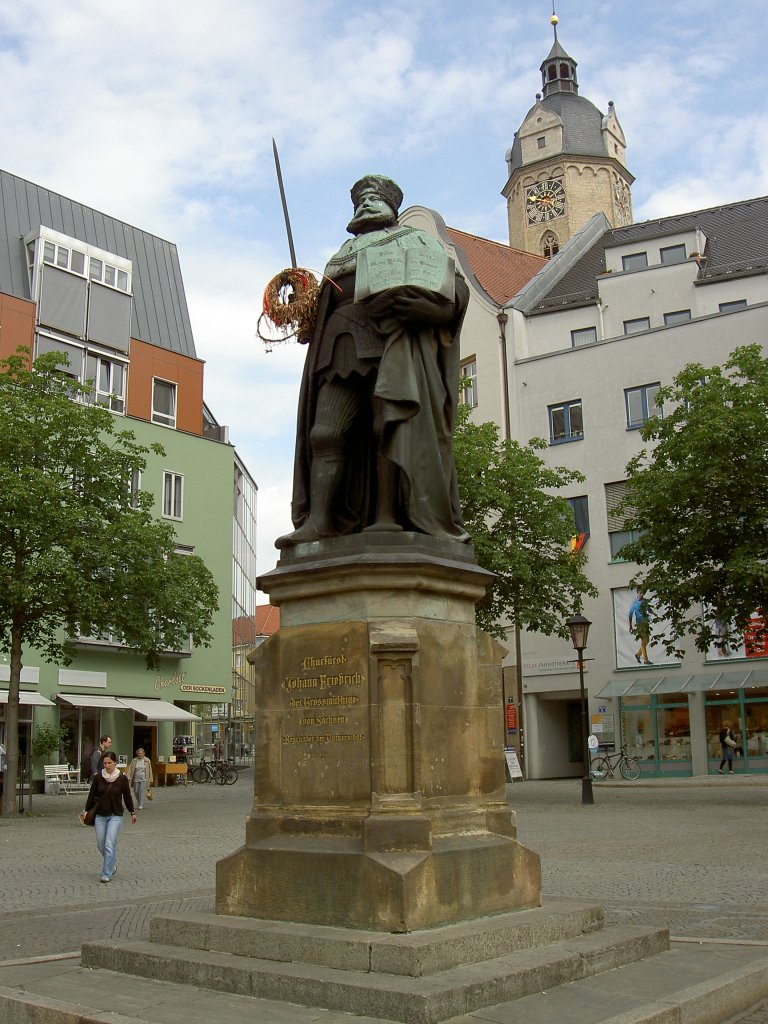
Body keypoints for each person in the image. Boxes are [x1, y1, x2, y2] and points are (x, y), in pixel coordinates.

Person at [277, 174, 470, 549]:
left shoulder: (414, 240)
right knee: (326, 433)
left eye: (374, 199)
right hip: (339, 345)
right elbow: (319, 312)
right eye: (359, 201)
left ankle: (388, 518)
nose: (365, 204)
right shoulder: (341, 254)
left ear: (392, 209)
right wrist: (303, 310)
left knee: (389, 425)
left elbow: (453, 288)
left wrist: (436, 307)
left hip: (392, 340)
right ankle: (319, 521)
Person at [82, 751, 136, 882]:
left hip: (115, 815)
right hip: (100, 815)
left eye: (109, 763)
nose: (107, 765)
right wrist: (86, 810)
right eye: (105, 763)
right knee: (101, 845)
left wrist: (132, 812)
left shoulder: (122, 778)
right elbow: (92, 794)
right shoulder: (98, 777)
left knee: (109, 844)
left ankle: (106, 873)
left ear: (115, 763)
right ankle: (112, 863)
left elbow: (127, 796)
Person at [628, 588, 652, 665]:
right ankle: (646, 660)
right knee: (643, 641)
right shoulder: (635, 603)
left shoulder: (645, 601)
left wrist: (655, 615)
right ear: (637, 593)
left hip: (646, 622)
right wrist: (630, 625)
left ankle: (638, 655)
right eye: (640, 593)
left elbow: (649, 610)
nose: (641, 594)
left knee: (647, 640)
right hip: (640, 624)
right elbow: (630, 614)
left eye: (642, 593)